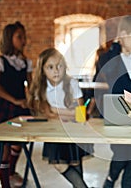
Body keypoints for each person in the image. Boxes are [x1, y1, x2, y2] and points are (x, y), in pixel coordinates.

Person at [95, 15, 131, 188]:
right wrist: (116, 46)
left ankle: (128, 185)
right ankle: (111, 179)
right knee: (121, 154)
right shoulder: (107, 58)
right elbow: (105, 81)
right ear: (122, 35)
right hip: (115, 118)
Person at [27, 48, 89, 188]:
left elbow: (81, 115)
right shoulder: (40, 88)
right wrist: (69, 112)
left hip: (73, 131)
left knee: (76, 164)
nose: (56, 70)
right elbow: (46, 113)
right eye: (50, 67)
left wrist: (55, 110)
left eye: (59, 66)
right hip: (54, 132)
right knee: (58, 164)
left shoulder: (71, 83)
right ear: (42, 70)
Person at [0, 21, 32, 188]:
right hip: (5, 107)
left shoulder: (25, 62)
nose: (24, 40)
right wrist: (14, 100)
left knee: (18, 144)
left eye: (24, 36)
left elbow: (31, 85)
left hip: (20, 108)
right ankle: (5, 183)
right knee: (5, 148)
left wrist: (35, 98)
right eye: (19, 36)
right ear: (9, 38)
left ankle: (11, 173)